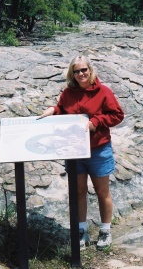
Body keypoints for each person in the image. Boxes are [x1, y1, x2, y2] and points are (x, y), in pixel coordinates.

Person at [39, 55, 124, 250]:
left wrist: (96, 122)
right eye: (76, 71)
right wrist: (53, 109)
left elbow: (117, 114)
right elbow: (63, 109)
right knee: (78, 192)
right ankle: (81, 230)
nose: (81, 74)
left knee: (102, 192)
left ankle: (105, 231)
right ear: (72, 74)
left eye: (84, 70)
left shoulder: (103, 92)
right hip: (74, 150)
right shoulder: (69, 92)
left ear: (90, 70)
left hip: (98, 150)